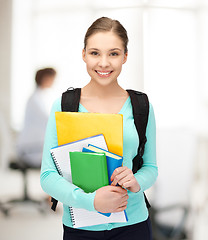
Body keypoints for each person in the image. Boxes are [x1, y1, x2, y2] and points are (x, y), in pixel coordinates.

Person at [40, 17, 158, 240]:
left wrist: (136, 181)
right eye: (95, 53)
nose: (103, 63)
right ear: (83, 54)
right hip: (80, 229)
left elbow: (151, 167)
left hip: (134, 225)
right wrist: (91, 201)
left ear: (125, 56)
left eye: (113, 53)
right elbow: (47, 175)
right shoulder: (65, 106)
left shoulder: (141, 106)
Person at [16, 67, 56, 167]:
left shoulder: (40, 97)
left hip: (35, 146)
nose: (53, 82)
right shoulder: (35, 99)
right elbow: (49, 121)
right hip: (31, 149)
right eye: (52, 78)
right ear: (45, 78)